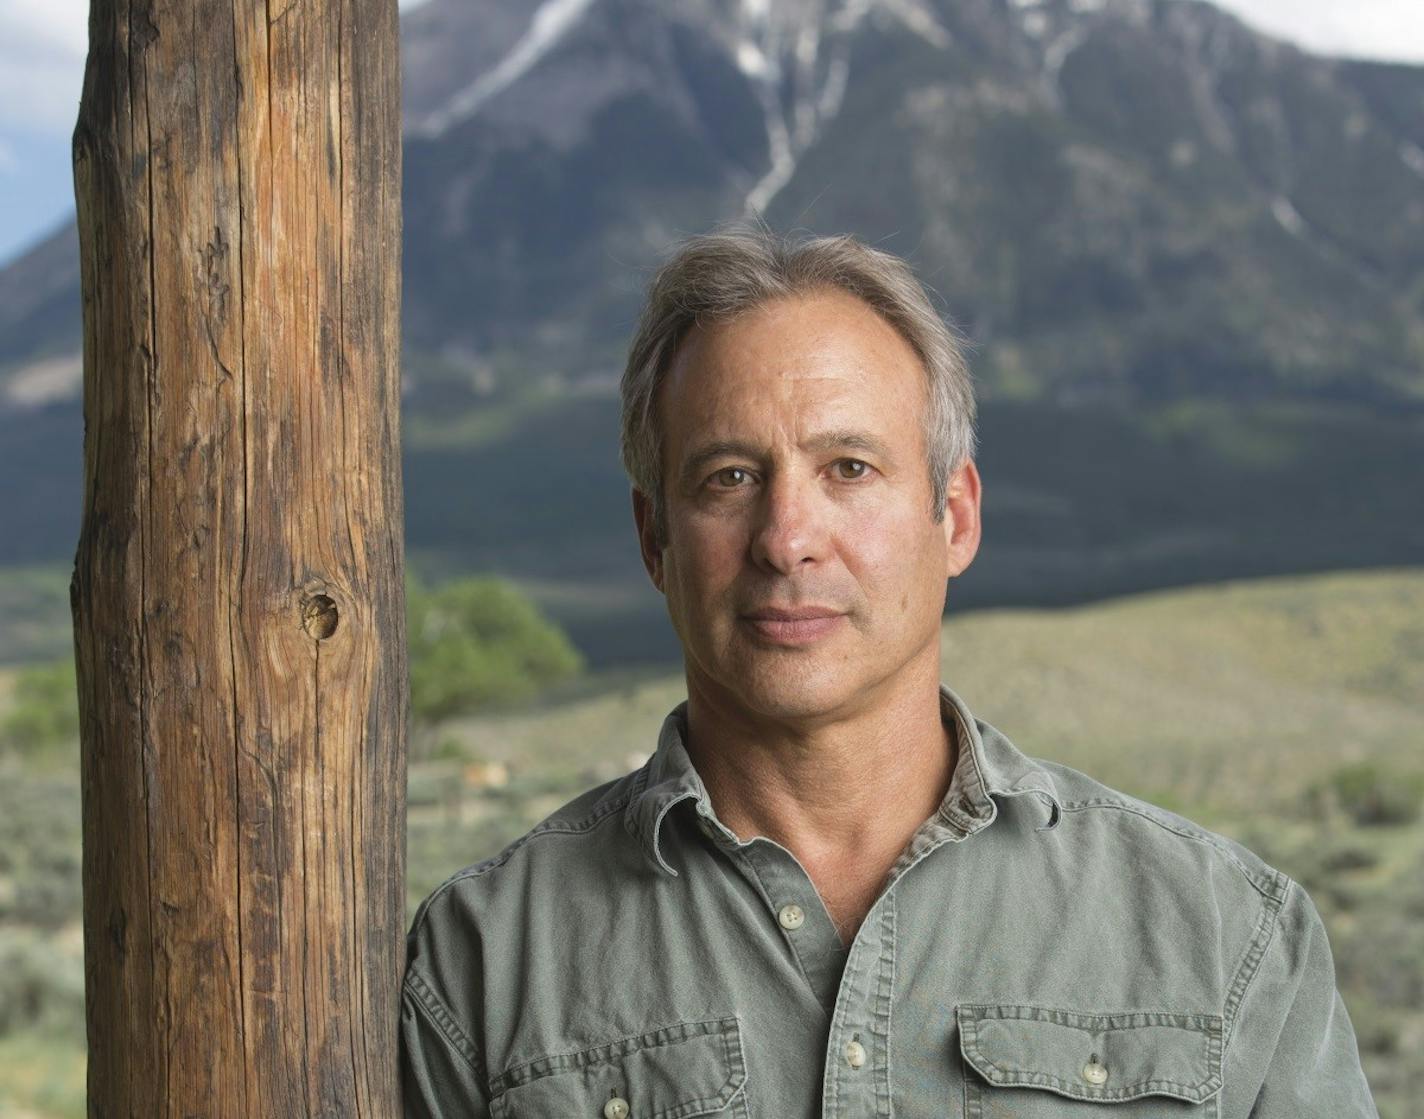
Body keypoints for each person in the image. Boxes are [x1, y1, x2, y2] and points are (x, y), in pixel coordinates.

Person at [399, 228, 1377, 1117]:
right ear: (654, 539)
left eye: (849, 470)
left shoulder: (1224, 939)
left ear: (953, 517)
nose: (786, 539)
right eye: (726, 478)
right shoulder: (484, 962)